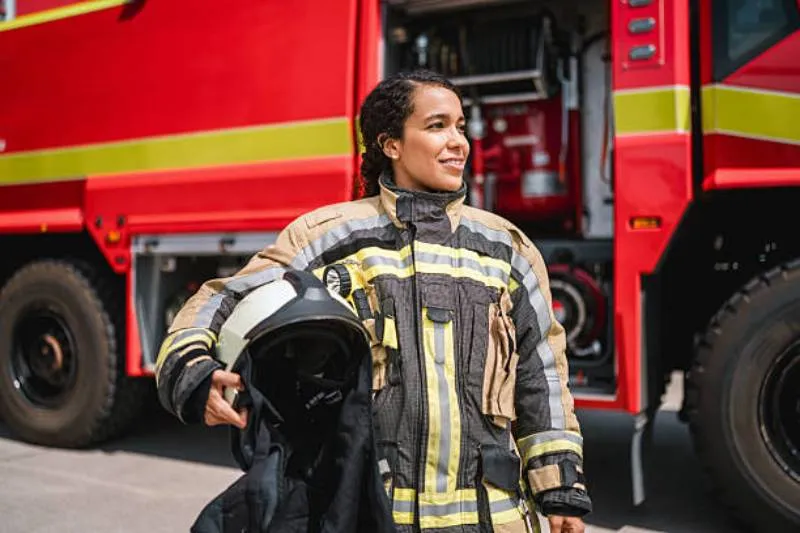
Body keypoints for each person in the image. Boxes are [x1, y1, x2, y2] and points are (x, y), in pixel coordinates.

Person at [156, 69, 592, 533]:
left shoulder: (507, 247)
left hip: (494, 520)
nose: (459, 142)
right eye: (437, 126)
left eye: (461, 126)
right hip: (375, 517)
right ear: (391, 144)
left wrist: (559, 489)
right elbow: (221, 300)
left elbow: (541, 376)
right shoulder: (329, 237)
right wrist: (192, 372)